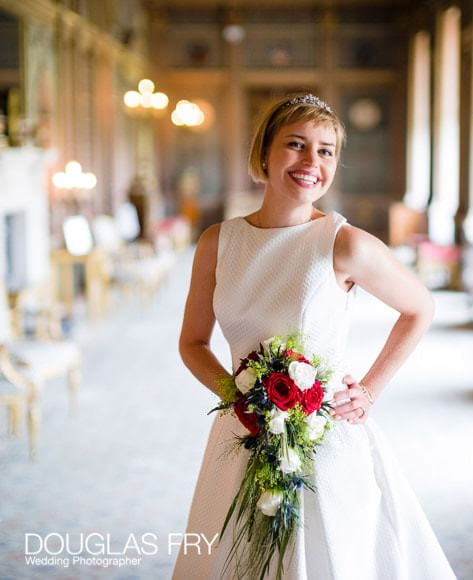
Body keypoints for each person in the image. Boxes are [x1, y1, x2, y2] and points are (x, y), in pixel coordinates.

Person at [173, 93, 457, 579]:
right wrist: (239, 397)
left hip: (324, 437)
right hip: (241, 433)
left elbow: (419, 307)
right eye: (297, 145)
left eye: (326, 151)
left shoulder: (344, 243)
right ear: (264, 153)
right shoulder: (218, 243)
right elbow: (193, 343)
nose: (311, 162)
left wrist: (369, 390)